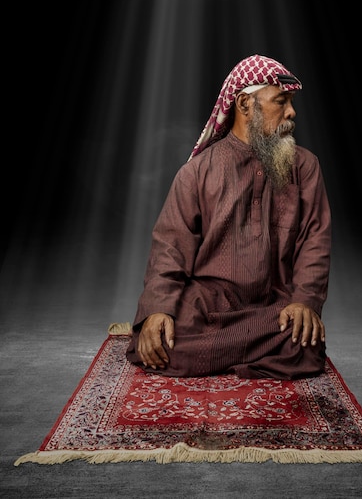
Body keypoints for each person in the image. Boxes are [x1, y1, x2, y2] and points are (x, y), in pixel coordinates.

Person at [126, 54, 331, 380]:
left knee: (305, 340)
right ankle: (256, 355)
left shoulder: (305, 167)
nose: (292, 112)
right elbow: (170, 245)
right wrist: (157, 310)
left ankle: (225, 353)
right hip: (207, 306)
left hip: (271, 306)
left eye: (291, 101)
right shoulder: (197, 173)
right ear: (245, 104)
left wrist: (305, 301)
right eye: (281, 101)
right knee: (156, 339)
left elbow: (314, 241)